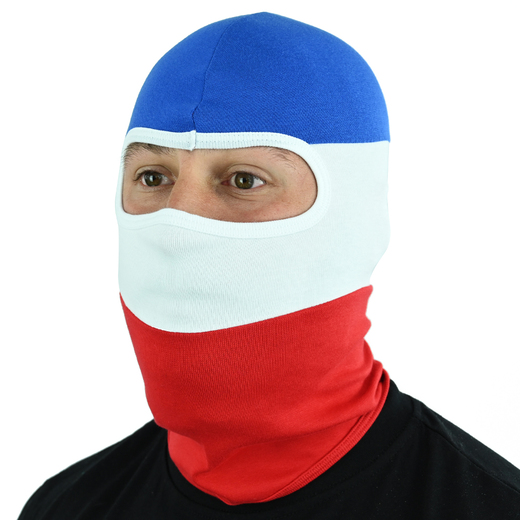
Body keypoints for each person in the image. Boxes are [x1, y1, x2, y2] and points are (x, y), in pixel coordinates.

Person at [18, 12, 520, 519]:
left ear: (353, 218)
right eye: (152, 178)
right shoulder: (65, 508)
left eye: (244, 180)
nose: (179, 224)